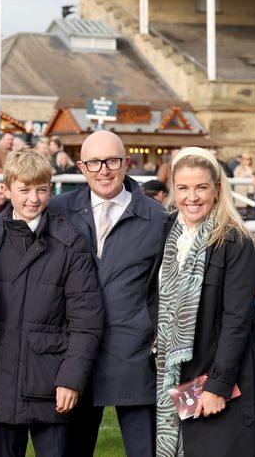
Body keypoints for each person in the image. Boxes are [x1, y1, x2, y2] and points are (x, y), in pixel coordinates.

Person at [0, 147, 103, 457]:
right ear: (7, 188)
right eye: (24, 189)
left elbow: (86, 320)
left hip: (52, 379)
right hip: (1, 376)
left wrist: (71, 380)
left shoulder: (70, 243)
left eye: (42, 189)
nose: (33, 198)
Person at [47, 130, 165, 457]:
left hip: (136, 355)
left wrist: (150, 331)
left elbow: (165, 288)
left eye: (112, 161)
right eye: (94, 162)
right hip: (75, 357)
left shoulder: (157, 218)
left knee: (146, 450)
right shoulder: (58, 211)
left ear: (127, 163)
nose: (104, 170)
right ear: (81, 167)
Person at [152, 147, 255, 456]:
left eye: (201, 187)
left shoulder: (236, 241)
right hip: (178, 378)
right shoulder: (169, 232)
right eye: (183, 188)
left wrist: (217, 385)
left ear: (217, 190)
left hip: (221, 381)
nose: (192, 197)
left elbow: (236, 321)